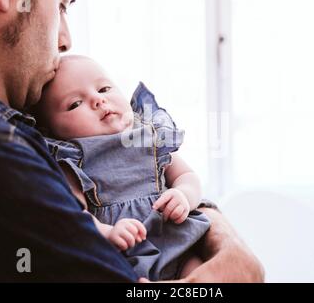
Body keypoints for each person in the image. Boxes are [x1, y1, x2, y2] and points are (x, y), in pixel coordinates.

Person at [0, 0, 264, 282]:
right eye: (61, 4)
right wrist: (233, 261)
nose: (65, 40)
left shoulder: (0, 135)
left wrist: (221, 240)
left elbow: (174, 181)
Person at [34, 55, 211, 281]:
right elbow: (75, 215)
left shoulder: (150, 135)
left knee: (199, 272)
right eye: (75, 104)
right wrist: (107, 232)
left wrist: (183, 195)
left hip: (175, 240)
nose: (98, 100)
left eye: (104, 88)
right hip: (123, 253)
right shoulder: (71, 159)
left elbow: (187, 176)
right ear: (51, 130)